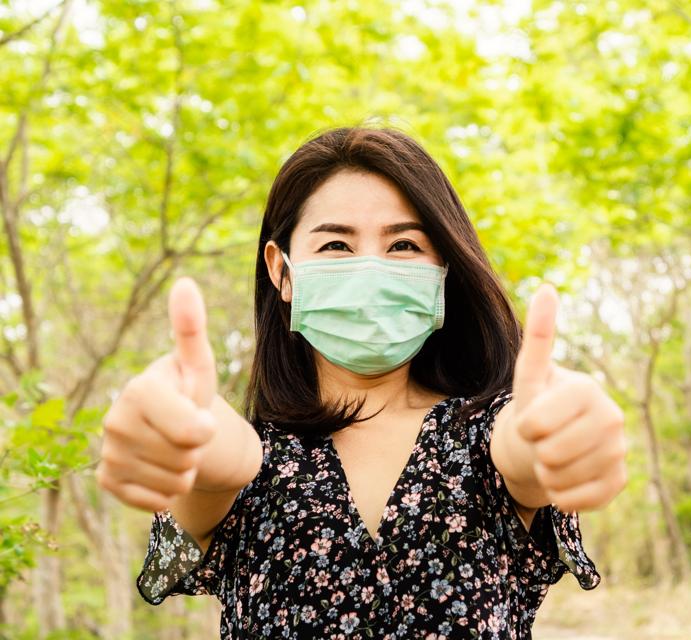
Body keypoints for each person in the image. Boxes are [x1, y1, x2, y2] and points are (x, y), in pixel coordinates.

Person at [96, 126, 628, 639]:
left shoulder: (488, 438)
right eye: (335, 247)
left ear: (443, 268)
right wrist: (189, 437)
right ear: (281, 271)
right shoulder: (243, 458)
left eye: (403, 246)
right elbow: (207, 481)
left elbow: (525, 446)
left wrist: (560, 430)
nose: (371, 269)